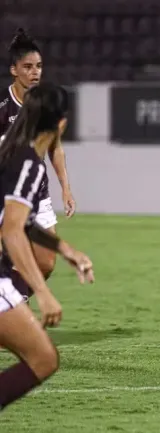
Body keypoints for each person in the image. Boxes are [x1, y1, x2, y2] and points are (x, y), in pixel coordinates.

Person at [0, 83, 94, 412]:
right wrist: (42, 291)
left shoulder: (11, 150)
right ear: (61, 125)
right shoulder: (28, 163)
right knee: (43, 358)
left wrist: (67, 251)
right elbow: (12, 233)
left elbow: (22, 224)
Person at [0, 28, 76, 301]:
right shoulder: (2, 106)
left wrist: (65, 188)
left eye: (39, 66)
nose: (35, 72)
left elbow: (55, 148)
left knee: (45, 263)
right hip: (6, 196)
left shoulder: (46, 106)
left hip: (37, 194)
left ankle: (11, 305)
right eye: (28, 67)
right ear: (14, 70)